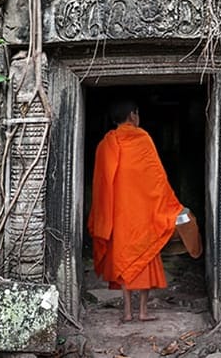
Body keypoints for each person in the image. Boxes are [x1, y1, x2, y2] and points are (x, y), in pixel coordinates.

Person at [88, 99, 183, 322]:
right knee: (145, 257)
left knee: (123, 259)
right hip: (142, 214)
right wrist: (171, 206)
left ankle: (128, 312)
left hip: (118, 216)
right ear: (133, 115)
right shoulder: (142, 139)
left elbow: (100, 186)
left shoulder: (105, 145)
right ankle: (142, 312)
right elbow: (156, 180)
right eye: (137, 114)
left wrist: (103, 217)